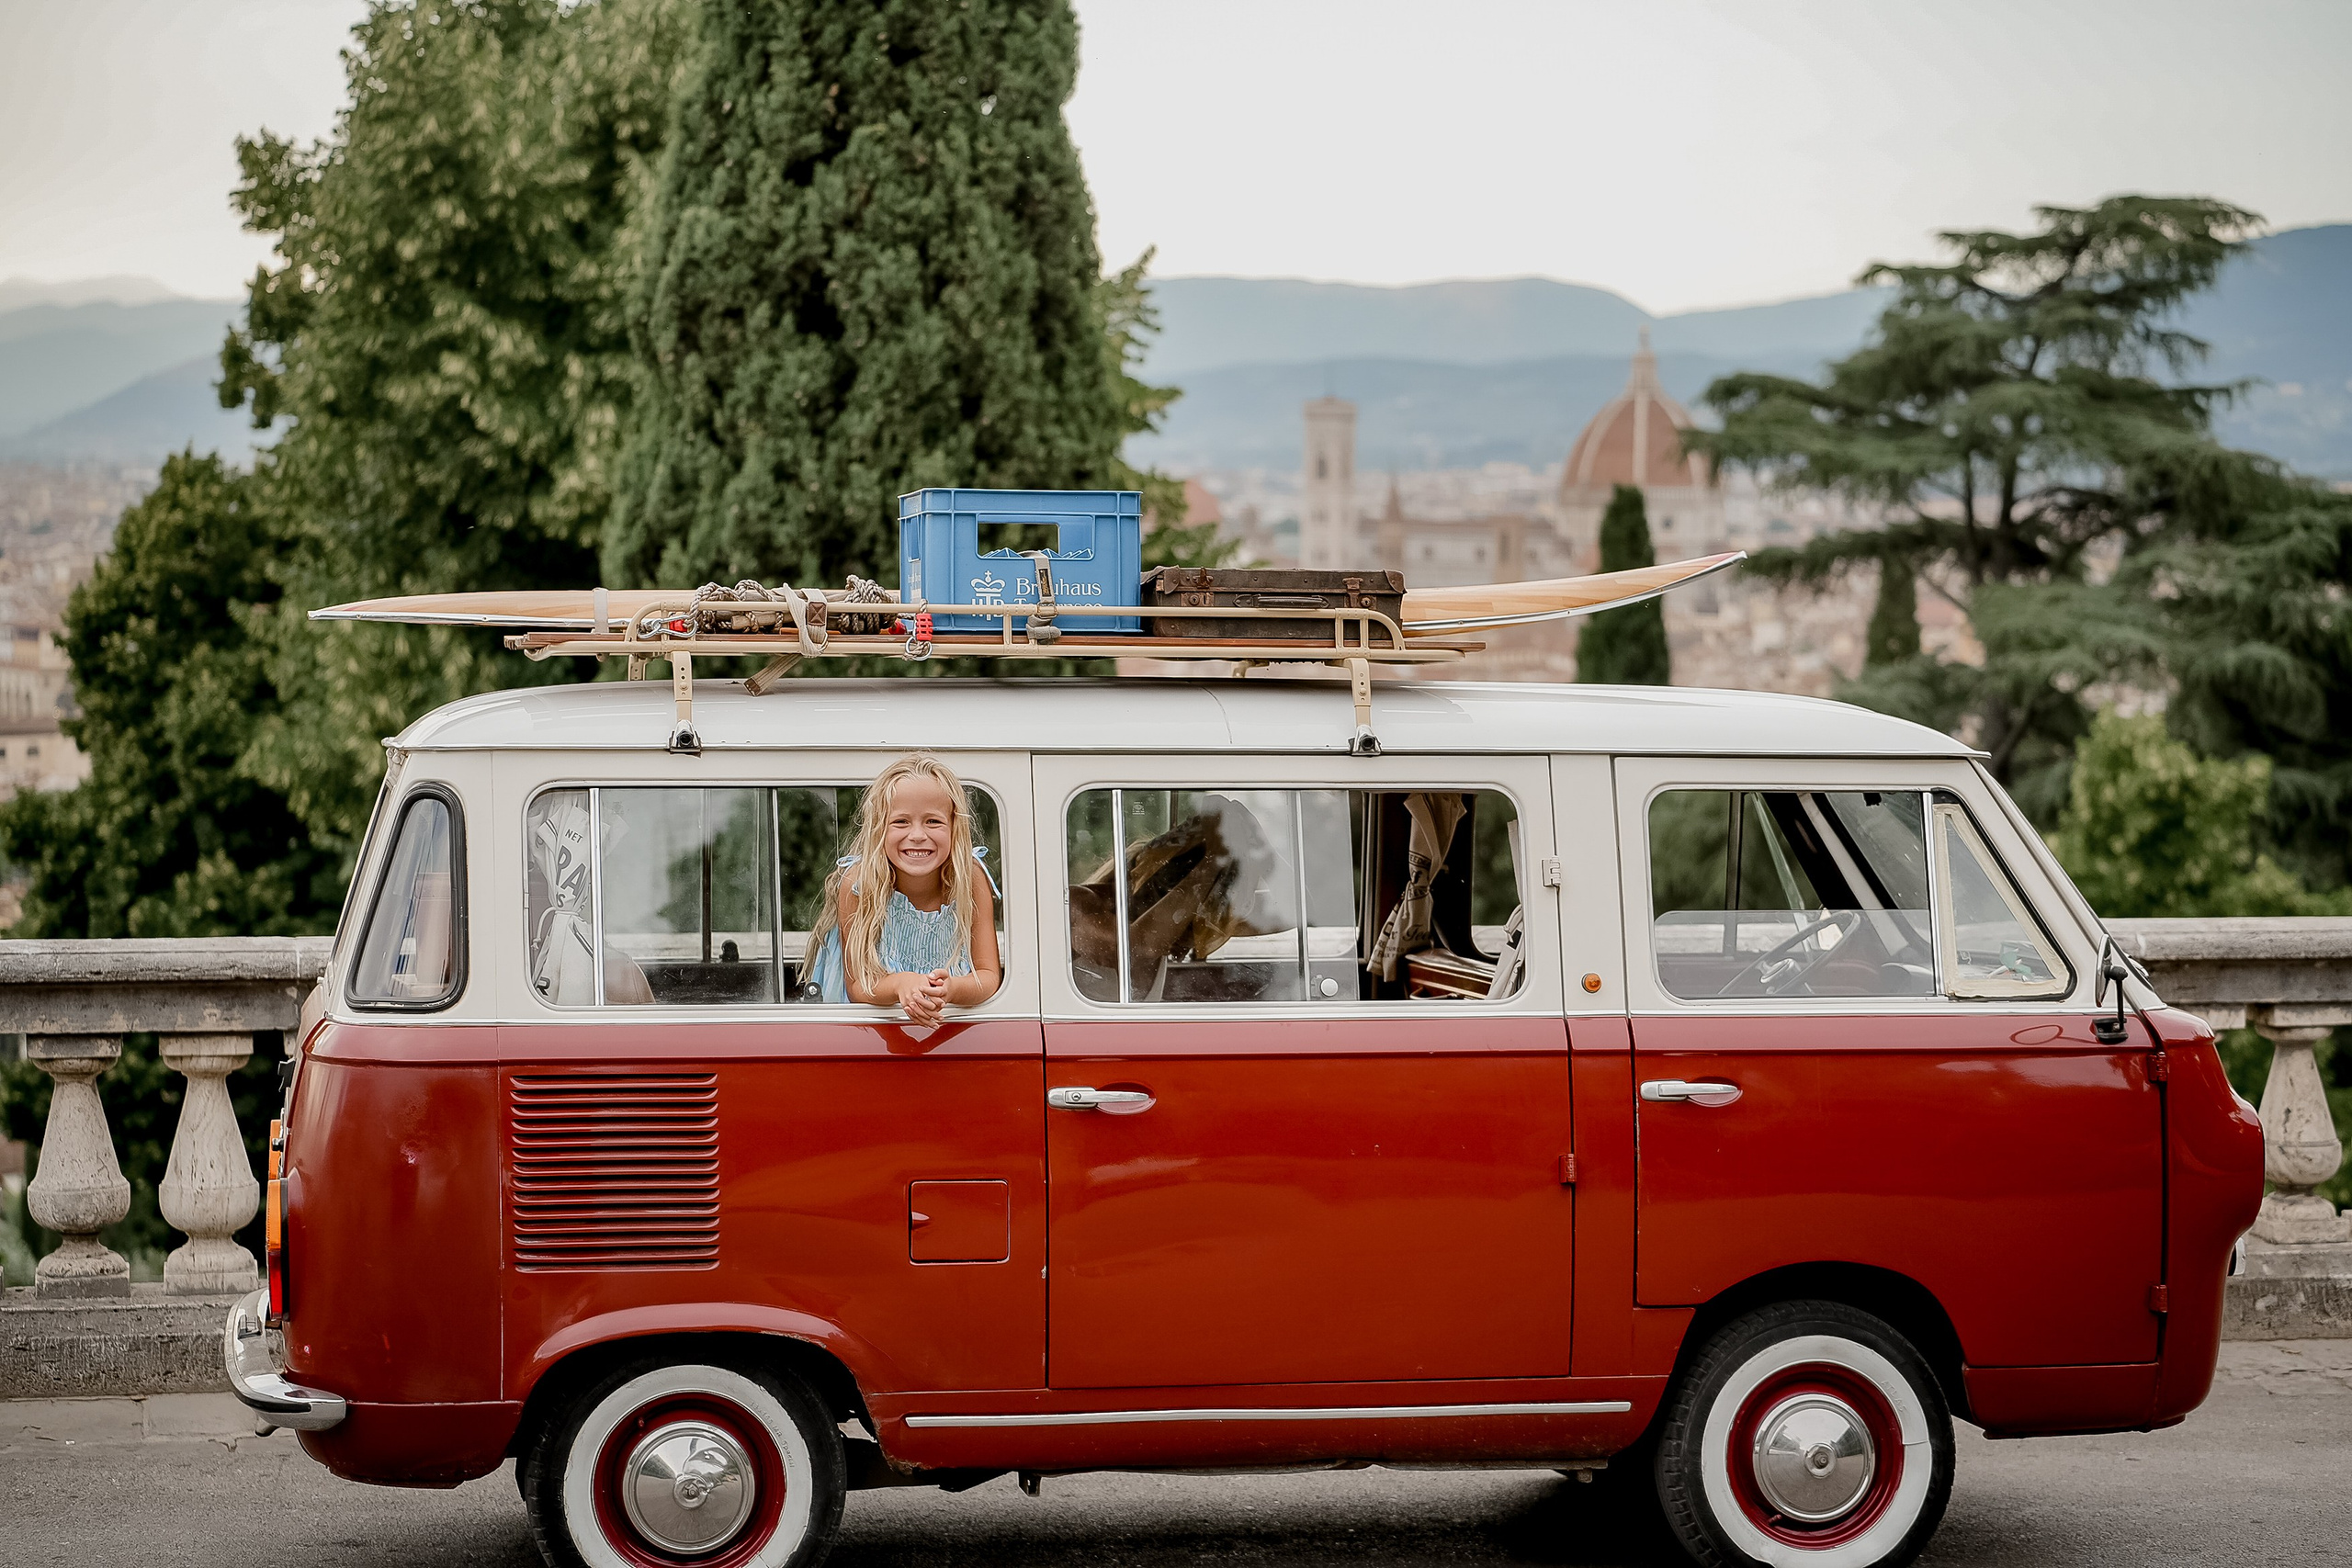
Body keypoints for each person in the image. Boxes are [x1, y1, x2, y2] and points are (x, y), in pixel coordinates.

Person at [803, 754, 1002, 1021]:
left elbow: (988, 977)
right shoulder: (858, 884)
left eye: (933, 821)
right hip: (872, 1036)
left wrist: (952, 989)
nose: (918, 835)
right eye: (901, 822)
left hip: (953, 1032)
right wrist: (901, 984)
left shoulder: (970, 878)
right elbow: (858, 986)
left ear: (955, 826)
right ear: (879, 828)